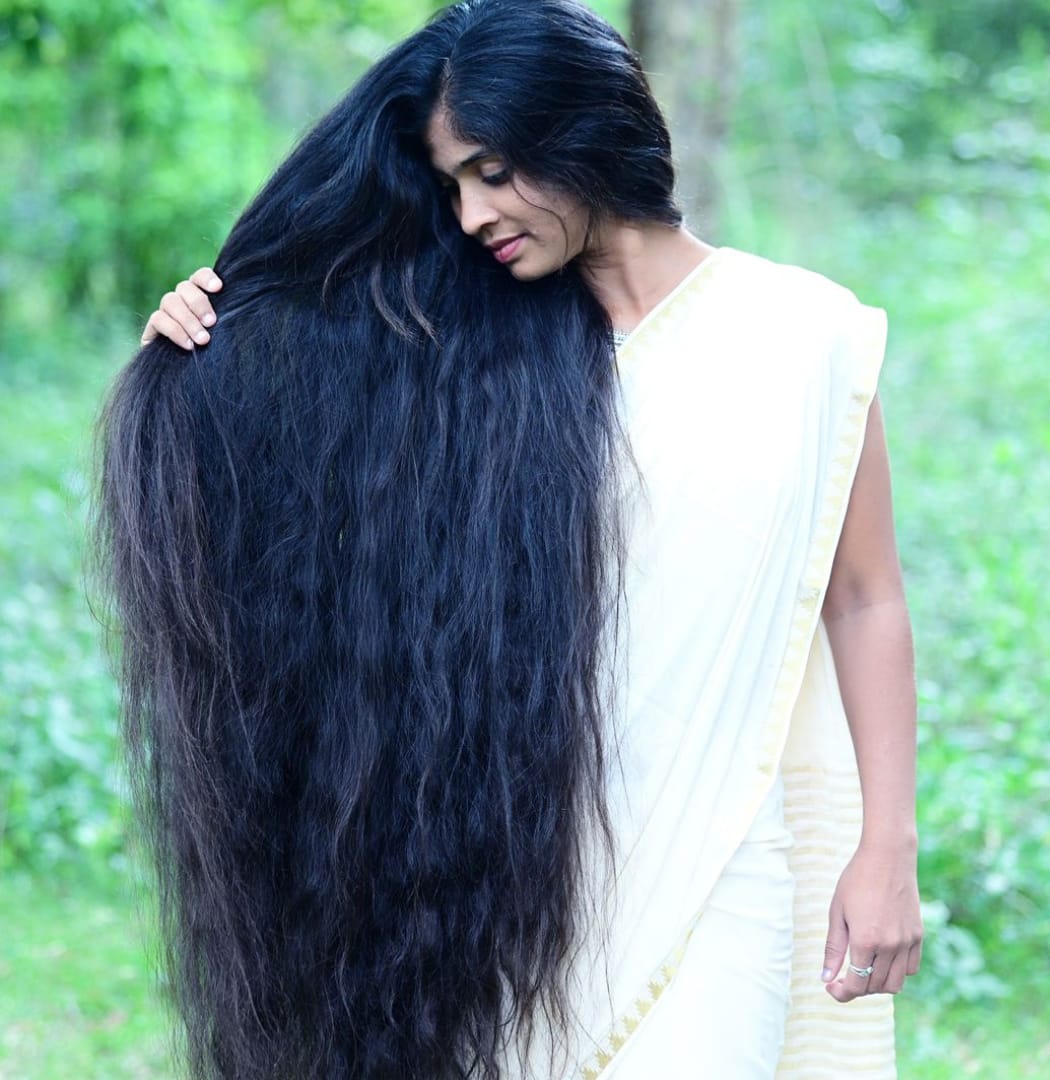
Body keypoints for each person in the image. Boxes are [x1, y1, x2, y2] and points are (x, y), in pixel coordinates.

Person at [101, 1, 922, 1078]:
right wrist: (196, 341)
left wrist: (887, 845)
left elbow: (864, 599)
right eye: (451, 184)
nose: (471, 211)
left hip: (725, 874)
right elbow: (297, 467)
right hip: (507, 891)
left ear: (574, 130)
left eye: (491, 169)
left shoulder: (809, 335)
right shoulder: (469, 361)